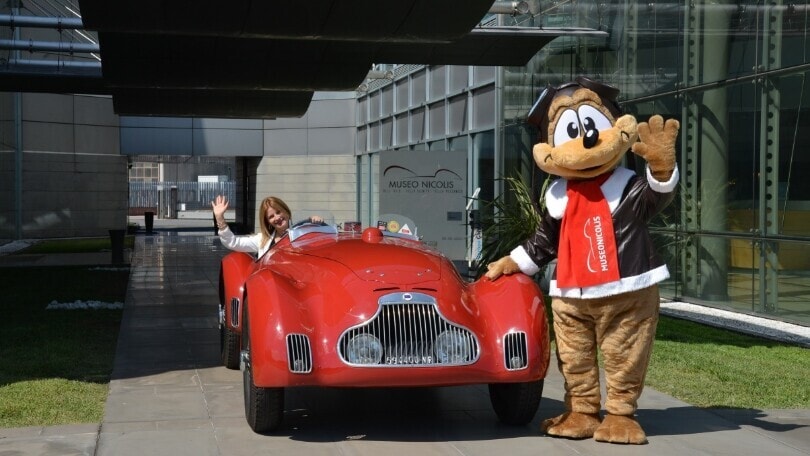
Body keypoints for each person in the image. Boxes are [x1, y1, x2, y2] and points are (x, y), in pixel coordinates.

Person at [211, 195, 321, 257]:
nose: (277, 218)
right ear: (267, 221)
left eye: (278, 212)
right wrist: (220, 218)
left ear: (286, 211)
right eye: (271, 216)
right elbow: (233, 242)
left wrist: (316, 224)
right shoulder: (262, 240)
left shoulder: (302, 232)